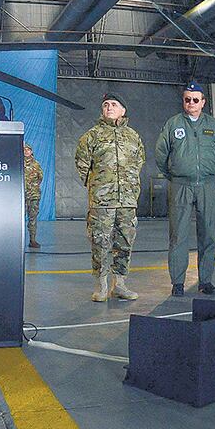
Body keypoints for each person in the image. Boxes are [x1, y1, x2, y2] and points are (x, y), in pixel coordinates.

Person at [154, 81, 215, 297]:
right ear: (183, 101)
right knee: (178, 235)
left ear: (203, 102)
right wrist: (175, 175)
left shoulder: (213, 126)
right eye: (187, 99)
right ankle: (177, 282)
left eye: (196, 99)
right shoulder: (173, 124)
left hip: (207, 185)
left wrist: (211, 170)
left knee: (209, 234)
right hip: (181, 186)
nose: (191, 103)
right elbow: (160, 154)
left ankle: (205, 281)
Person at [75, 93, 144, 302]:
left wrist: (129, 185)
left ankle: (120, 285)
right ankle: (102, 285)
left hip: (127, 201)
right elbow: (82, 164)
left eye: (114, 104)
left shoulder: (133, 137)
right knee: (100, 242)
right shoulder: (91, 136)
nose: (109, 107)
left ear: (123, 110)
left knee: (125, 242)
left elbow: (139, 161)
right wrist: (97, 186)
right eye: (105, 104)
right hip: (102, 202)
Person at [24, 143, 43, 248]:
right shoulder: (19, 163)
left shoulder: (36, 164)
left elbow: (40, 177)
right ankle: (18, 240)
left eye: (28, 150)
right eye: (24, 150)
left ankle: (32, 240)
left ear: (31, 152)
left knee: (33, 218)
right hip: (22, 195)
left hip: (34, 195)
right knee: (19, 219)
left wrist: (33, 187)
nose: (26, 151)